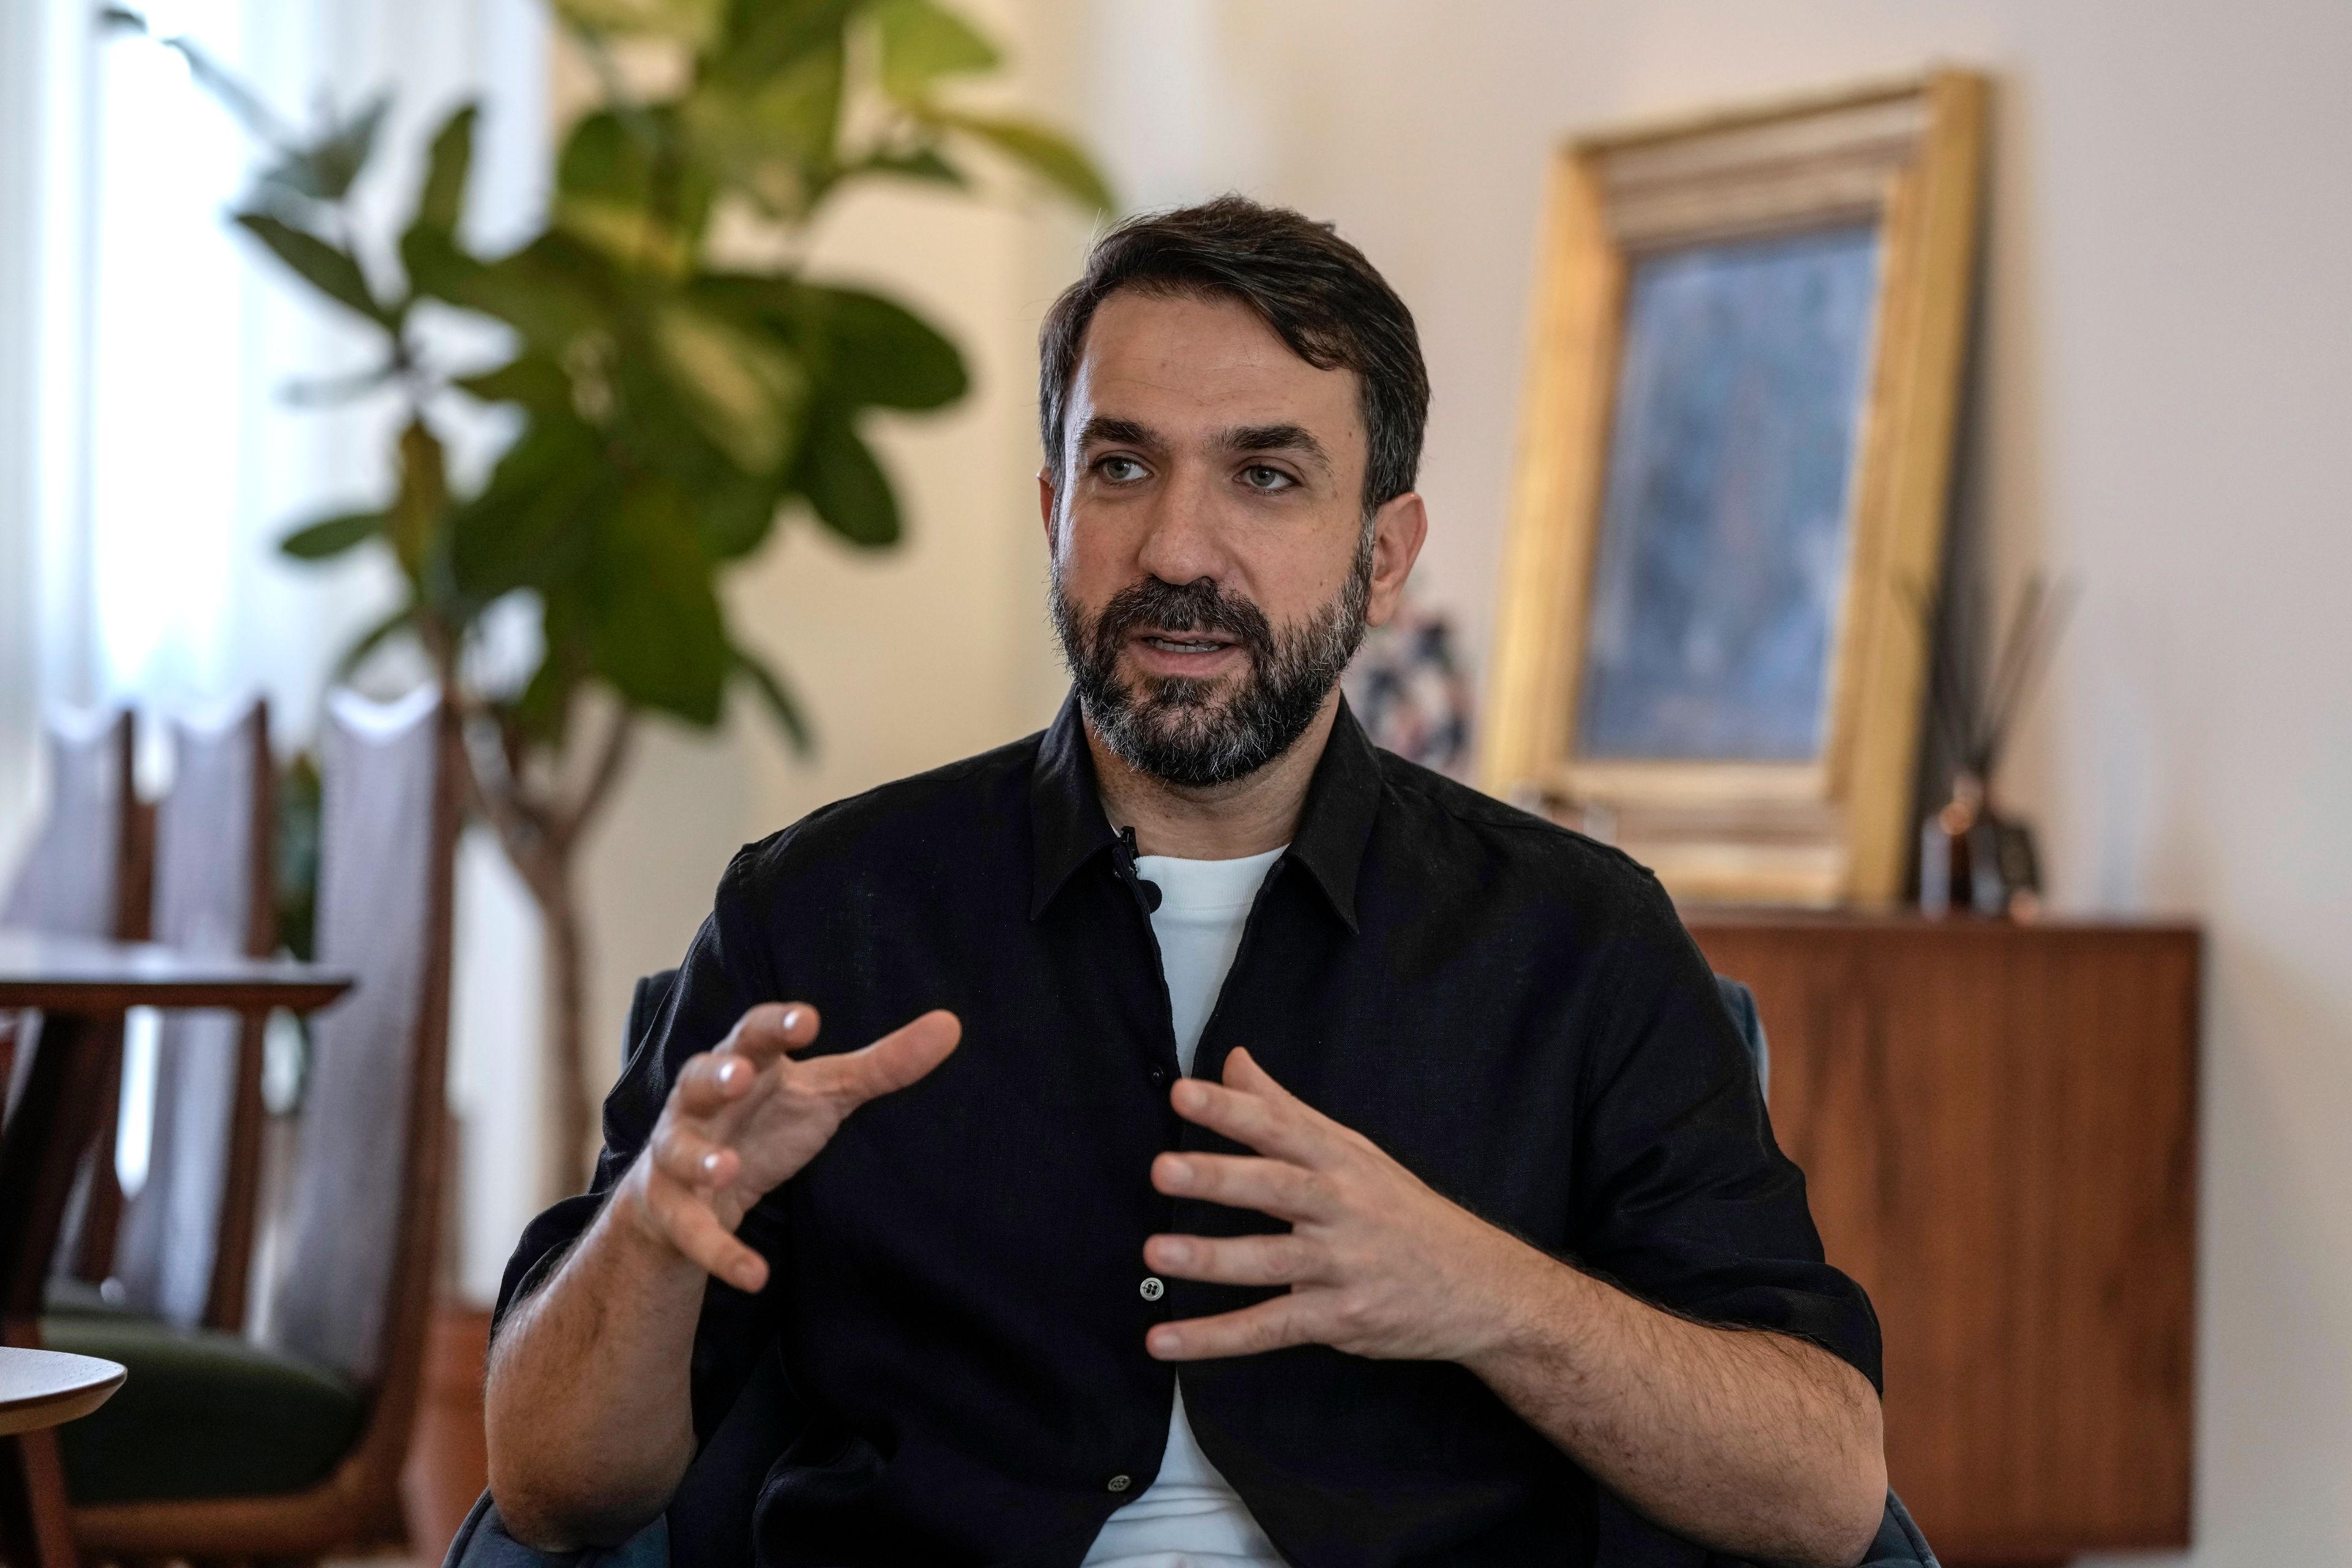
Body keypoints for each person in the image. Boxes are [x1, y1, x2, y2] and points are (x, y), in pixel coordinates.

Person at [483, 197, 1887, 1568]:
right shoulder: (824, 914)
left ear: (1383, 554)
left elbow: (1827, 1490)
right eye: (1123, 467)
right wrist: (651, 1239)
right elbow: (549, 1492)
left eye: (1266, 475)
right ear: (1053, 510)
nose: (1175, 551)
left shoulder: (1578, 941)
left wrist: (1483, 1292)